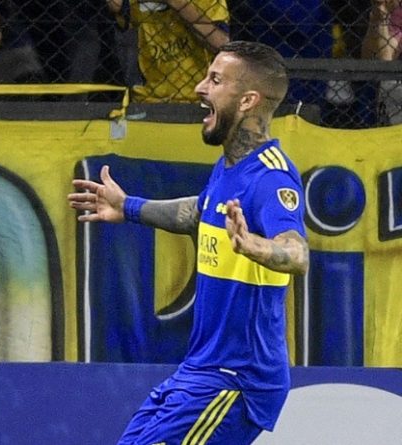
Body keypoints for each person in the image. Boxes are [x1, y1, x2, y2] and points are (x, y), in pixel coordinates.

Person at [68, 41, 309, 444]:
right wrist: (129, 206)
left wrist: (253, 246)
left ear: (247, 100)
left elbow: (296, 253)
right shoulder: (230, 166)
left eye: (215, 80)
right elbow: (201, 211)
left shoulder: (271, 177)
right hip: (199, 372)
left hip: (236, 381)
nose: (199, 87)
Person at [106, 0, 230, 103]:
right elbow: (115, 6)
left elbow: (221, 43)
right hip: (149, 99)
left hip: (199, 97)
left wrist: (178, 4)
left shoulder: (207, 2)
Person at [362, 0, 402, 125]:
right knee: (389, 84)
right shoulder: (396, 13)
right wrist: (380, 19)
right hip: (394, 94)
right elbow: (376, 60)